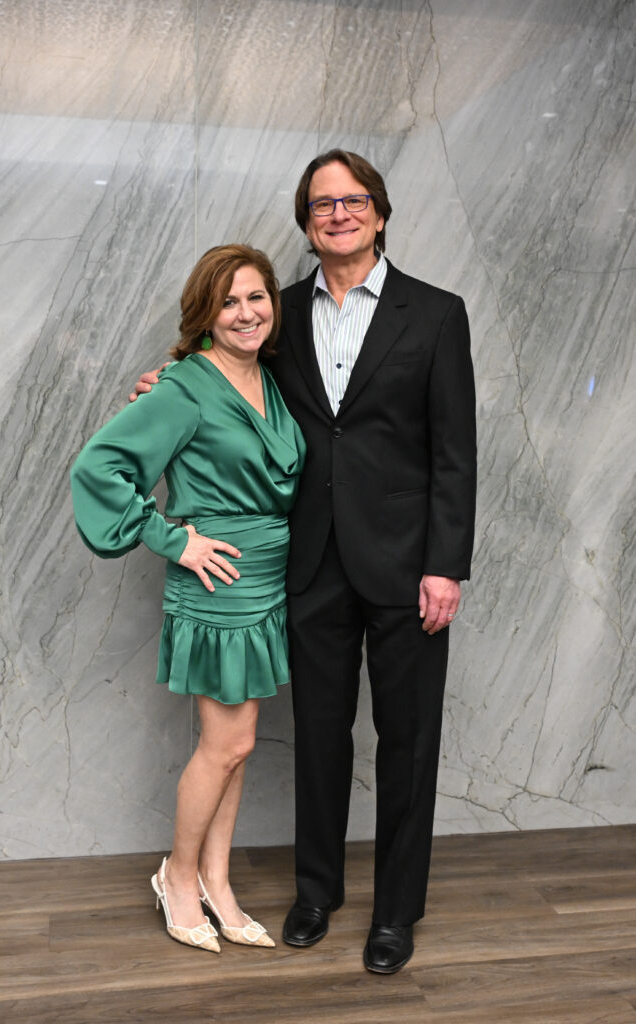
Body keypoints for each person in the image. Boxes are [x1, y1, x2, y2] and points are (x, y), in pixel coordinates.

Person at [132, 150, 477, 974]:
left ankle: (396, 912)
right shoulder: (274, 312)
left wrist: (446, 565)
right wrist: (168, 386)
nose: (338, 214)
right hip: (309, 562)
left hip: (407, 568)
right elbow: (229, 373)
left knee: (408, 742)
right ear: (306, 222)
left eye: (353, 200)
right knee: (318, 738)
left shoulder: (435, 313)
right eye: (322, 204)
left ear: (380, 214)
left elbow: (453, 453)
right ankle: (316, 893)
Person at [71, 244, 306, 955]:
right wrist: (176, 541)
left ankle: (217, 880)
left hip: (268, 582)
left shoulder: (270, 377)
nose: (244, 313)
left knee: (234, 748)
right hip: (219, 582)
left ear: (273, 304)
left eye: (256, 298)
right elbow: (100, 467)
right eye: (228, 301)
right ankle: (177, 877)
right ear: (205, 312)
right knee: (225, 743)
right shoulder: (182, 385)